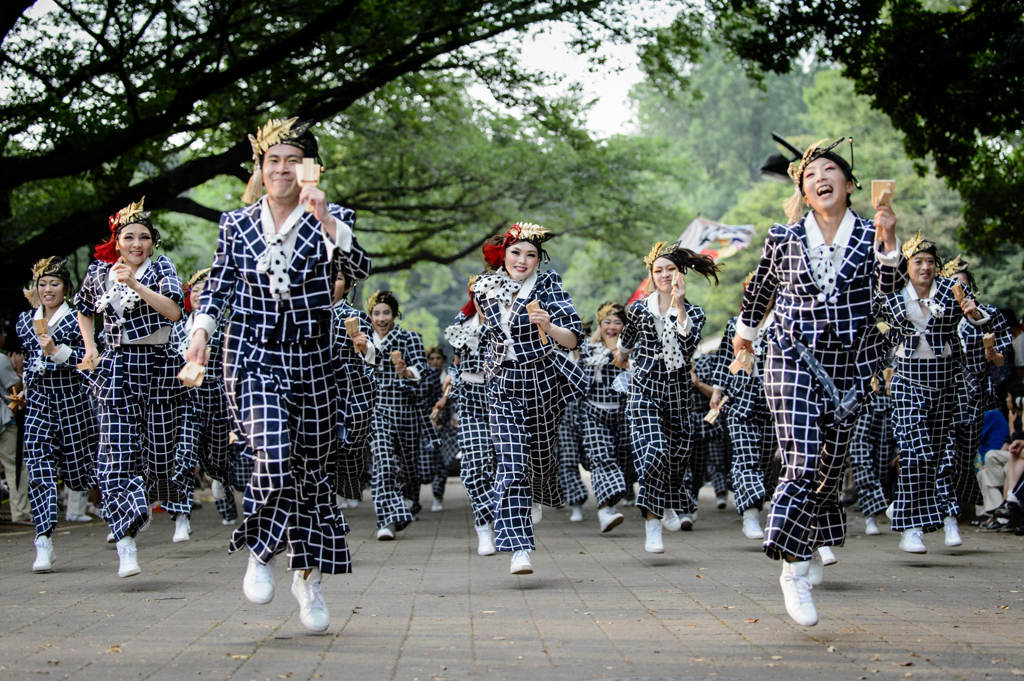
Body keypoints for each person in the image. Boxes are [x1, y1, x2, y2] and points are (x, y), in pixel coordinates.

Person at [185, 117, 371, 632]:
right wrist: (201, 331)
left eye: (294, 160)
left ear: (310, 169)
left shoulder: (332, 217)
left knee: (311, 475)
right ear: (261, 169)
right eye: (274, 160)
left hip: (314, 358)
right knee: (273, 450)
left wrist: (328, 220)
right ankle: (261, 550)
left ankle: (308, 581)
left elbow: (358, 269)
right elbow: (219, 284)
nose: (283, 169)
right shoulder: (236, 223)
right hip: (254, 356)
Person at [734, 137, 902, 626]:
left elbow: (887, 301)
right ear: (803, 191)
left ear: (850, 186)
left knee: (828, 469)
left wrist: (890, 248)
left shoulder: (873, 233)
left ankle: (810, 538)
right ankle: (791, 569)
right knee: (802, 461)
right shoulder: (783, 237)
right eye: (811, 175)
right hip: (790, 356)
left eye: (831, 171)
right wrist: (745, 337)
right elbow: (761, 287)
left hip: (849, 368)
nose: (821, 178)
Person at [78, 198, 184, 578]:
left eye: (144, 237)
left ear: (152, 242)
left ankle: (143, 503)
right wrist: (90, 347)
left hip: (158, 366)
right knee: (116, 454)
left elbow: (173, 311)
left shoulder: (162, 269)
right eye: (129, 237)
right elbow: (84, 309)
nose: (136, 244)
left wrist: (135, 283)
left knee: (159, 457)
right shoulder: (98, 272)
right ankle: (125, 540)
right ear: (117, 241)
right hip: (116, 366)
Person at [472, 222, 585, 575]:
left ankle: (534, 493)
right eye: (516, 252)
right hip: (501, 384)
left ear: (539, 260)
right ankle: (519, 546)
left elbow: (573, 339)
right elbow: (486, 336)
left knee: (538, 459)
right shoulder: (484, 288)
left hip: (540, 382)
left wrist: (548, 326)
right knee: (512, 463)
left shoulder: (548, 286)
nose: (522, 260)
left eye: (531, 255)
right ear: (503, 254)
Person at [876, 234, 991, 554]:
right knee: (917, 452)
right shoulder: (895, 297)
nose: (925, 267)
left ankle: (903, 505)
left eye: (930, 262)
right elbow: (869, 311)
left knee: (938, 457)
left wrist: (975, 316)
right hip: (908, 381)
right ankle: (910, 528)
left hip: (945, 382)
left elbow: (984, 320)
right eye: (918, 262)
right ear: (907, 268)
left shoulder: (955, 292)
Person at [615, 241, 719, 555]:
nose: (664, 275)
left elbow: (687, 346)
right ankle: (652, 523)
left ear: (681, 273)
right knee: (654, 452)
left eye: (670, 269)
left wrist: (680, 303)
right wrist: (622, 358)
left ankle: (671, 499)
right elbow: (623, 347)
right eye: (658, 270)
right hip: (644, 391)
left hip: (677, 393)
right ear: (651, 274)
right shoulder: (637, 310)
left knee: (675, 459)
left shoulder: (695, 312)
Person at [17, 257, 99, 571]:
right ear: (36, 289)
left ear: (65, 288)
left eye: (54, 283)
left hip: (72, 401)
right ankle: (43, 540)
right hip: (39, 403)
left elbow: (89, 362)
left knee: (79, 475)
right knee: (38, 466)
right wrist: (25, 386)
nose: (48, 289)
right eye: (43, 284)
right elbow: (27, 359)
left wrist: (57, 351)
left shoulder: (77, 320)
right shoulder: (25, 321)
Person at [166, 268, 238, 534]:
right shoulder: (176, 328)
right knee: (183, 454)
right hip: (185, 398)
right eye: (195, 290)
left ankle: (221, 483)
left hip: (216, 397)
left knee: (218, 461)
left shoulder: (226, 327)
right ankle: (181, 515)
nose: (199, 295)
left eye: (206, 291)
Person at [942, 256, 1012, 517]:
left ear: (972, 287)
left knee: (963, 457)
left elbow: (1002, 356)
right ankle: (938, 508)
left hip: (974, 396)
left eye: (961, 284)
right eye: (950, 284)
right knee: (942, 451)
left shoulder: (989, 315)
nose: (957, 289)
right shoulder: (938, 315)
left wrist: (993, 355)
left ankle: (958, 503)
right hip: (943, 391)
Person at [711, 304, 779, 541]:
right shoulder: (735, 324)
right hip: (740, 400)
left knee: (764, 459)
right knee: (746, 457)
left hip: (775, 399)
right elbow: (723, 361)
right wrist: (717, 391)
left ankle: (763, 502)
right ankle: (750, 515)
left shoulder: (783, 321)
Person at [365, 290, 429, 540]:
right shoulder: (362, 340)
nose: (381, 319)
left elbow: (422, 367)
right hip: (375, 409)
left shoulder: (408, 338)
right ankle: (386, 520)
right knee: (383, 462)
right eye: (376, 313)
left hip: (405, 411)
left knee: (406, 468)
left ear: (394, 314)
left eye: (386, 313)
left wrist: (407, 371)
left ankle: (404, 505)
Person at [443, 276, 498, 555]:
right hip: (469, 399)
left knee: (504, 464)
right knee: (474, 466)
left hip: (500, 397)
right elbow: (456, 361)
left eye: (490, 295)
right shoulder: (461, 323)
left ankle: (507, 517)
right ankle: (484, 526)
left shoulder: (506, 321)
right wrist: (447, 390)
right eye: (479, 295)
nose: (484, 301)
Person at [577, 302, 631, 533]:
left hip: (622, 414)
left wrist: (624, 359)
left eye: (618, 322)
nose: (612, 326)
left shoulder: (631, 350)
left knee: (620, 460)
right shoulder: (587, 349)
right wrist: (604, 354)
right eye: (607, 321)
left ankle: (614, 500)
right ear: (600, 324)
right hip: (592, 413)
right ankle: (604, 512)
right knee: (601, 458)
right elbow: (580, 380)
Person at [331, 270, 376, 510]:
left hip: (348, 390)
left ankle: (346, 486)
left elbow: (372, 356)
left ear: (348, 287)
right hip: (314, 390)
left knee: (348, 448)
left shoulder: (354, 316)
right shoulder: (304, 313)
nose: (329, 281)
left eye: (337, 278)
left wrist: (364, 345)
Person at [423, 345, 458, 512]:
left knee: (442, 463)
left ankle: (438, 496)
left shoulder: (449, 379)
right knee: (427, 463)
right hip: (426, 426)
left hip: (445, 427)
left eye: (438, 359)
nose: (435, 362)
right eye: (432, 359)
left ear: (443, 360)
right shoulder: (424, 378)